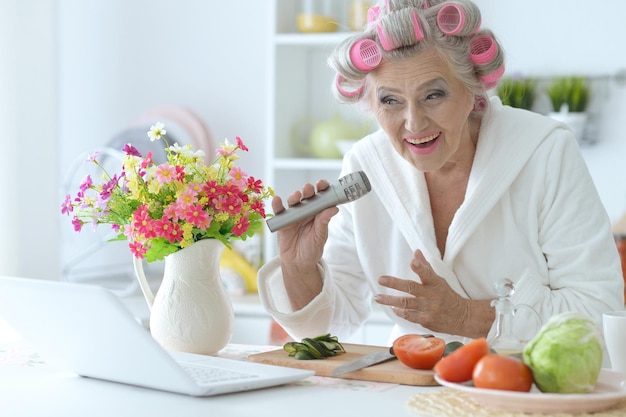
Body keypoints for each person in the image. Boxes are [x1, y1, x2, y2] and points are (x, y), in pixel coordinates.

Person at [257, 0, 624, 345]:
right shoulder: (366, 164)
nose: (414, 123)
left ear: (472, 89)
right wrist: (299, 269)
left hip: (525, 395)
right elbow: (333, 324)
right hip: (412, 389)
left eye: (434, 95)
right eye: (390, 101)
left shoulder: (543, 150)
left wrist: (468, 317)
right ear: (370, 103)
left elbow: (597, 311)